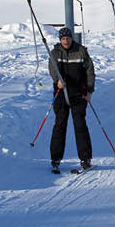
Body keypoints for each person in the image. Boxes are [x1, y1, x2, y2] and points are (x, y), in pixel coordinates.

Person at [49, 27, 95, 172]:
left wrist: (89, 90)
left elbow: (90, 71)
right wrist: (57, 81)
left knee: (80, 125)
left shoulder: (81, 51)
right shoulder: (55, 52)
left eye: (68, 38)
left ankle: (85, 158)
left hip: (78, 94)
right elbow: (52, 68)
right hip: (61, 94)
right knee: (60, 125)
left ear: (71, 38)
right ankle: (55, 158)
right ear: (60, 40)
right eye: (63, 39)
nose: (66, 41)